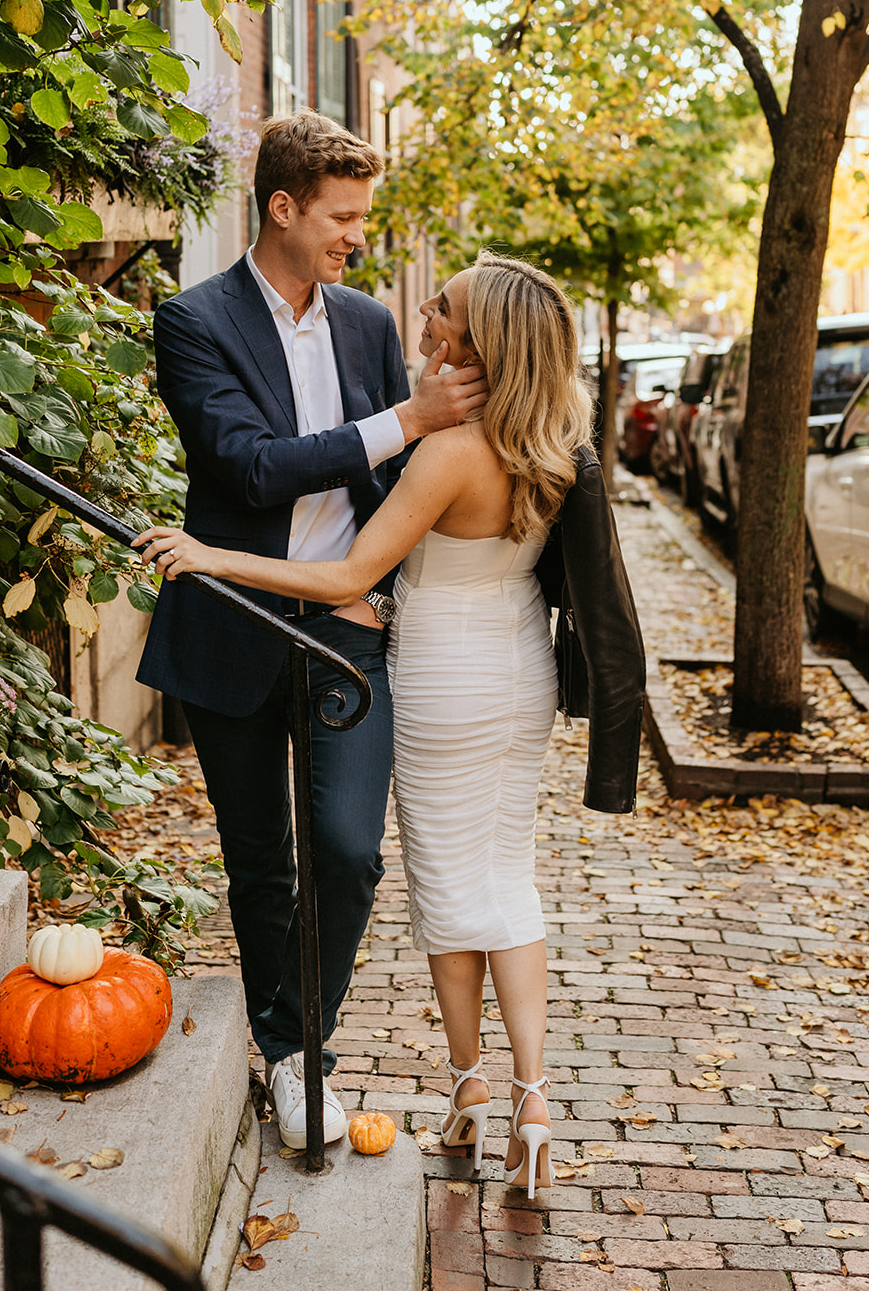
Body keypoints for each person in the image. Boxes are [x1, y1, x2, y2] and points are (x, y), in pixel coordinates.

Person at [136, 253, 645, 1197]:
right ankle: (527, 1103)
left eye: (444, 307)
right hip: (519, 670)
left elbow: (341, 576)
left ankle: (470, 1091)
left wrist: (212, 557)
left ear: (481, 341)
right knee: (506, 873)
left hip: (444, 674)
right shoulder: (554, 442)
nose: (424, 312)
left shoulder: (451, 450)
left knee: (446, 891)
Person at [134, 110, 487, 1152]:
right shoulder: (192, 321)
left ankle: (302, 1037)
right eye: (342, 217)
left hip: (346, 629)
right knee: (261, 862)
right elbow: (246, 466)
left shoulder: (370, 326)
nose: (356, 236)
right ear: (282, 208)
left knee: (347, 852)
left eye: (362, 219)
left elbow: (400, 479)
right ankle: (291, 1060)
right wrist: (405, 421)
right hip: (234, 624)